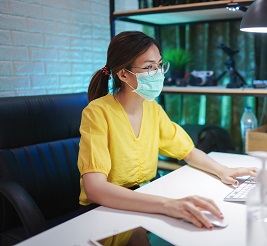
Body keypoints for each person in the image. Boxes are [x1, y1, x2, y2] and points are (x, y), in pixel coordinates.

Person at [77, 31, 257, 243]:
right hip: (108, 211)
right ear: (123, 75)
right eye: (149, 67)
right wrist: (168, 205)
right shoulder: (97, 112)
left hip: (143, 202)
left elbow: (187, 151)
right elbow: (95, 188)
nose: (158, 73)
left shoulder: (152, 108)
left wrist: (224, 171)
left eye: (160, 65)